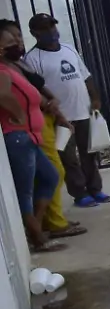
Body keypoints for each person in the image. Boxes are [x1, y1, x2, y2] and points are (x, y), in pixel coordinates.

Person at [0, 19, 85, 239]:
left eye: (18, 38)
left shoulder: (18, 64)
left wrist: (57, 111)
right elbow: (5, 95)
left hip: (33, 132)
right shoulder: (8, 67)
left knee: (50, 175)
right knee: (32, 185)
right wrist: (19, 114)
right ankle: (44, 229)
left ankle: (38, 225)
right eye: (10, 40)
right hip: (20, 135)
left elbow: (36, 90)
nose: (17, 43)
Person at [22, 13, 110, 208]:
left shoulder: (69, 49)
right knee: (68, 158)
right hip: (60, 118)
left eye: (52, 26)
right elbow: (36, 89)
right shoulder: (32, 58)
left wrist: (95, 97)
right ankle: (80, 194)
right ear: (34, 33)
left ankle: (95, 189)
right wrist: (53, 110)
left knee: (89, 152)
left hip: (83, 111)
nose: (51, 32)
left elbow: (85, 76)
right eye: (45, 29)